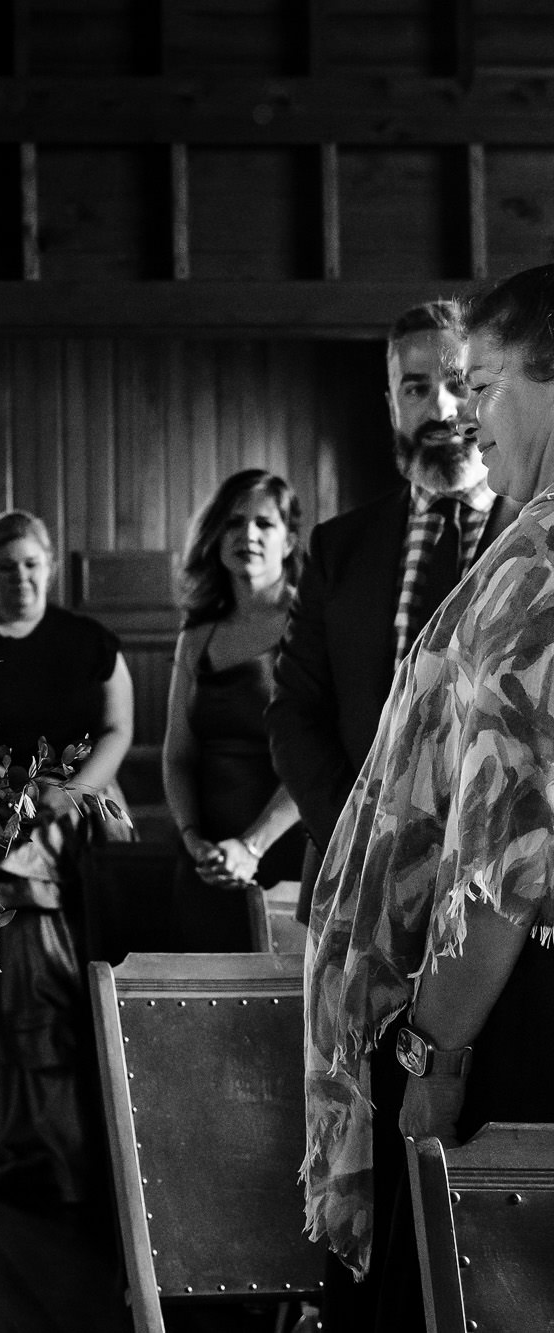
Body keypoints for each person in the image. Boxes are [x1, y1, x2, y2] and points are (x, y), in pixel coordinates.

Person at [304, 266, 554, 1326]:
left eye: (487, 381)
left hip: (510, 1017)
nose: (465, 414)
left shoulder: (537, 565)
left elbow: (508, 857)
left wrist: (433, 1052)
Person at [0, 507, 133, 1208]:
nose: (21, 577)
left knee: (54, 978)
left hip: (73, 821)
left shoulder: (87, 640)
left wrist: (70, 793)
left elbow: (118, 725)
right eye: (5, 566)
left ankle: (62, 1142)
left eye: (32, 564)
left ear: (50, 567)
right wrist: (11, 792)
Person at [160, 469, 308, 951]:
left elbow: (323, 756)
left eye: (264, 523)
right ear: (216, 536)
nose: (247, 535)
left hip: (289, 854)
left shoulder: (311, 625)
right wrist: (193, 839)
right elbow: (178, 755)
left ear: (289, 540)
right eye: (233, 522)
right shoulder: (196, 635)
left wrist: (251, 847)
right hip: (206, 861)